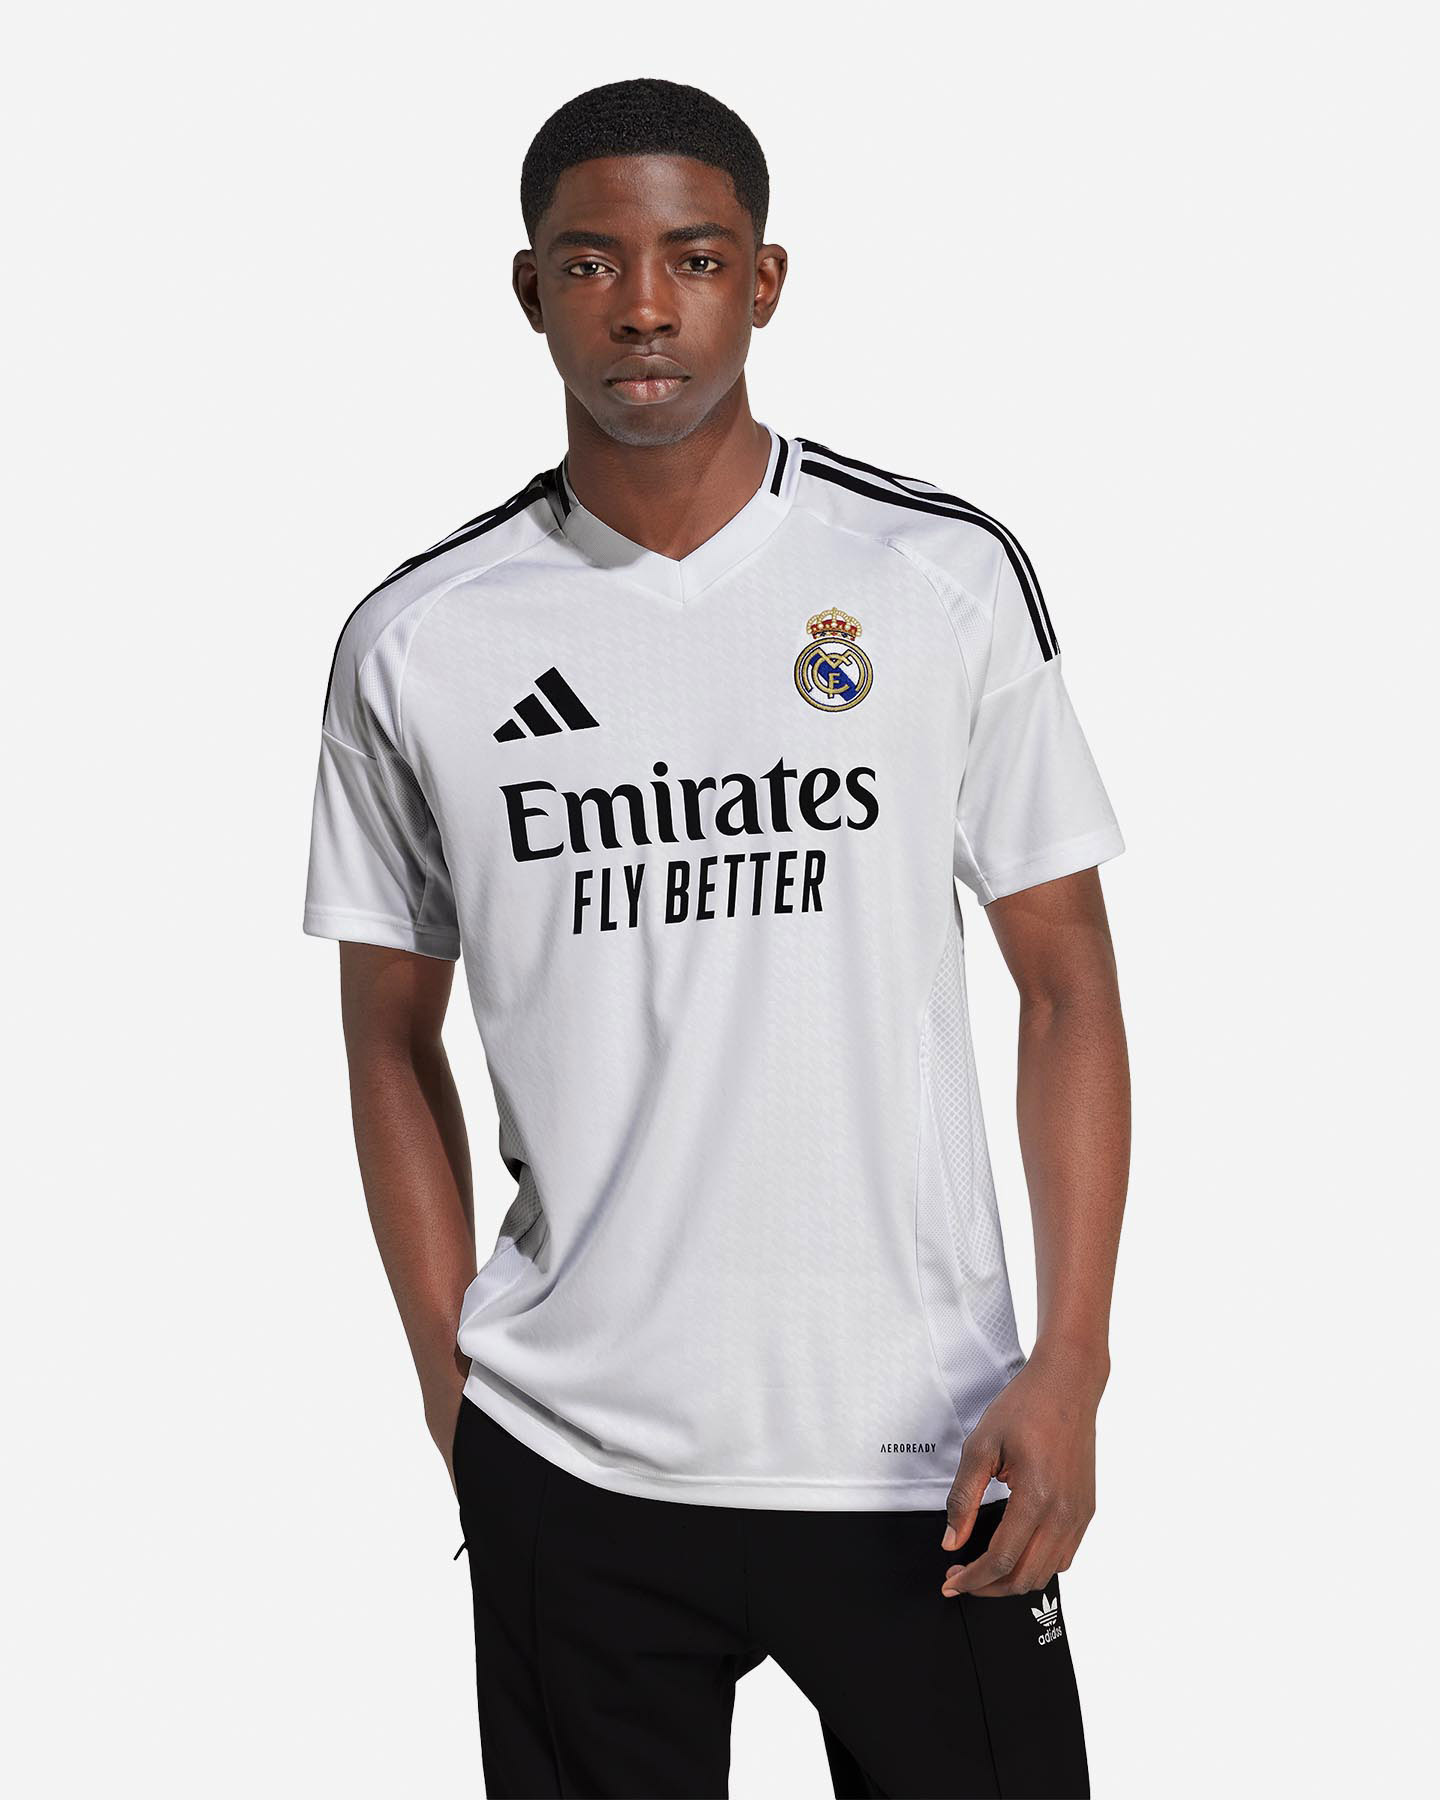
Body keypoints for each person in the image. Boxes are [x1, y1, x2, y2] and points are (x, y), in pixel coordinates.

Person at [303, 75, 1129, 1800]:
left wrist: (1072, 1361)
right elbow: (386, 1031)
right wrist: (458, 1390)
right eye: (590, 263)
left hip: (925, 1452)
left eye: (692, 257)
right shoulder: (418, 639)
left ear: (764, 281)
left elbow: (1065, 984)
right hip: (573, 1458)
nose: (643, 307)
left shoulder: (937, 578)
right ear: (529, 290)